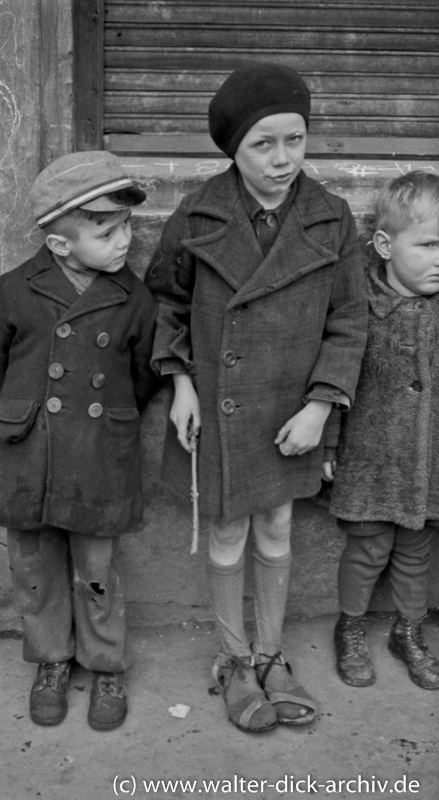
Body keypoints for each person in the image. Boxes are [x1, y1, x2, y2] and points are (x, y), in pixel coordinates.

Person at [145, 63, 368, 733]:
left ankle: (271, 656)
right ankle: (233, 660)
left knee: (276, 525)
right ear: (232, 150)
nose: (281, 160)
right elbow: (169, 301)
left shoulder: (332, 219)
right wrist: (180, 382)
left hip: (294, 408)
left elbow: (350, 321)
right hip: (219, 401)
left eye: (294, 140)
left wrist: (322, 405)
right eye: (261, 145)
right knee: (227, 528)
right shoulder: (197, 214)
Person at [0, 151, 159, 729]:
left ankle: (106, 662)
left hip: (99, 448)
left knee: (97, 564)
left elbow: (142, 373)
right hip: (28, 448)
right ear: (61, 245)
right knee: (33, 564)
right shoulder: (14, 289)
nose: (124, 240)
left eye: (128, 226)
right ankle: (52, 660)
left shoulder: (134, 298)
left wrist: (107, 418)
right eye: (107, 231)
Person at [324, 170, 439, 691]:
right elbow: (333, 376)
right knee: (367, 549)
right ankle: (348, 627)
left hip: (429, 460)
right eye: (430, 244)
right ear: (386, 245)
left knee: (418, 551)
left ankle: (408, 631)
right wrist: (327, 443)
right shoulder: (360, 308)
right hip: (371, 457)